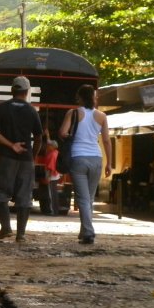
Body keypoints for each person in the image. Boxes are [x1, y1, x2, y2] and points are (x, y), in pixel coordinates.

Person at [0, 76, 43, 241]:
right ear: (27, 92)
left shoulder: (2, 108)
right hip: (26, 160)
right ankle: (21, 234)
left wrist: (11, 145)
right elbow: (39, 137)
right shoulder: (32, 110)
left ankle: (6, 228)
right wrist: (32, 156)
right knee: (24, 196)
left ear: (13, 90)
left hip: (6, 158)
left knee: (0, 194)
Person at [58, 84, 112, 245]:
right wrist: (109, 163)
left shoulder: (73, 113)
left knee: (82, 198)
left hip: (78, 157)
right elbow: (107, 141)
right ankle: (84, 231)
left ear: (79, 97)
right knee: (88, 198)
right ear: (94, 98)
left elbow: (62, 133)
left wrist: (72, 135)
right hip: (96, 158)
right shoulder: (102, 116)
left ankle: (88, 232)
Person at [40, 139, 61, 215]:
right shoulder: (55, 153)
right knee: (53, 194)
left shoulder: (52, 154)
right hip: (54, 175)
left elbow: (51, 167)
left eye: (49, 145)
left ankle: (54, 211)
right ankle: (54, 211)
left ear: (52, 146)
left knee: (51, 194)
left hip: (52, 176)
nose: (47, 146)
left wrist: (48, 177)